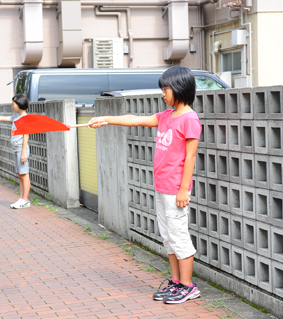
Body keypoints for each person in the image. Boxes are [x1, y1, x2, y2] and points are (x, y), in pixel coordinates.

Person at [88, 66, 201, 304]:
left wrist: (183, 189)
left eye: (165, 89)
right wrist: (106, 119)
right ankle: (176, 282)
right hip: (162, 187)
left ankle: (188, 286)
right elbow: (135, 119)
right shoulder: (166, 116)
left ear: (179, 88)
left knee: (179, 236)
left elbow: (190, 157)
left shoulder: (190, 119)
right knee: (168, 236)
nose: (162, 93)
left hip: (175, 190)